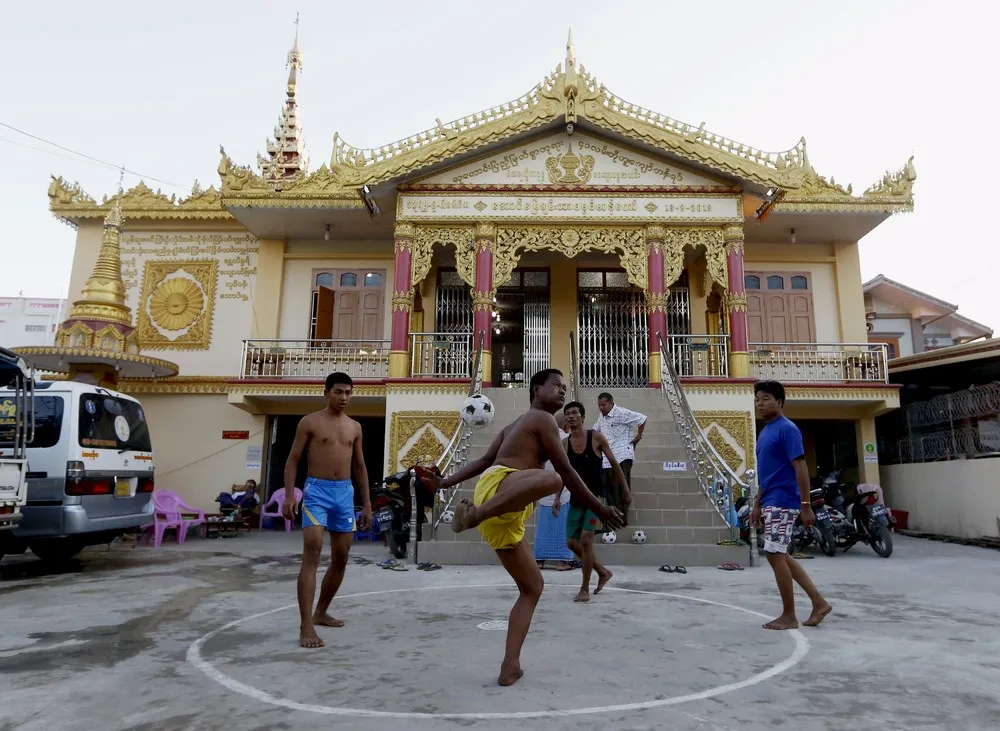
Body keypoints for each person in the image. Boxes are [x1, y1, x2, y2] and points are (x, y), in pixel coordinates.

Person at [426, 369, 623, 686]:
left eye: (565, 387)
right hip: (499, 492)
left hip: (503, 512)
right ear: (535, 389)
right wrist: (600, 506)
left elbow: (483, 460)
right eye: (556, 386)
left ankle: (510, 666)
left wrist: (445, 482)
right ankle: (476, 515)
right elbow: (566, 472)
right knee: (554, 478)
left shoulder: (511, 426)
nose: (562, 391)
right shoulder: (542, 419)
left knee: (532, 587)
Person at [283, 372, 372, 648]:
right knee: (312, 550)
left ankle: (321, 611)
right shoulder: (309, 422)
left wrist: (367, 503)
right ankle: (306, 624)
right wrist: (289, 495)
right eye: (338, 392)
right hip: (317, 492)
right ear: (326, 392)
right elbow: (293, 459)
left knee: (342, 556)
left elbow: (360, 467)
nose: (343, 397)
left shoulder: (355, 427)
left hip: (344, 494)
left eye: (348, 392)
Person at [753, 380, 832, 630]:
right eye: (757, 399)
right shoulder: (766, 431)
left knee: (775, 555)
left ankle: (789, 615)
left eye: (766, 398)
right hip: (770, 499)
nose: (760, 403)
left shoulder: (787, 429)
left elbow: (800, 466)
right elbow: (768, 473)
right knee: (780, 555)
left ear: (780, 402)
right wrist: (756, 504)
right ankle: (819, 603)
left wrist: (806, 505)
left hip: (783, 500)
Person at [561, 400, 629, 602]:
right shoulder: (564, 444)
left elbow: (615, 465)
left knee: (586, 540)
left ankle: (584, 589)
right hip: (576, 499)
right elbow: (564, 473)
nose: (571, 416)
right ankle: (602, 572)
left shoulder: (596, 438)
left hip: (596, 498)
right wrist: (557, 497)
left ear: (582, 416)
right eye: (568, 414)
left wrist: (625, 489)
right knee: (572, 543)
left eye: (574, 413)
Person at [593, 392, 646, 526]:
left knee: (622, 488)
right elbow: (595, 431)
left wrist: (638, 436)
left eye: (604, 405)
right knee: (609, 488)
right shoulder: (602, 417)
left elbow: (642, 418)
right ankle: (614, 518)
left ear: (611, 403)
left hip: (623, 455)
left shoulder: (622, 413)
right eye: (599, 405)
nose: (601, 407)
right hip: (608, 458)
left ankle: (622, 519)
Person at [534, 412, 573, 571]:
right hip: (561, 488)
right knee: (563, 525)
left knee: (543, 526)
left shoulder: (542, 440)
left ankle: (539, 560)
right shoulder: (567, 440)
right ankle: (563, 561)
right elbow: (566, 468)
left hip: (543, 487)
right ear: (566, 425)